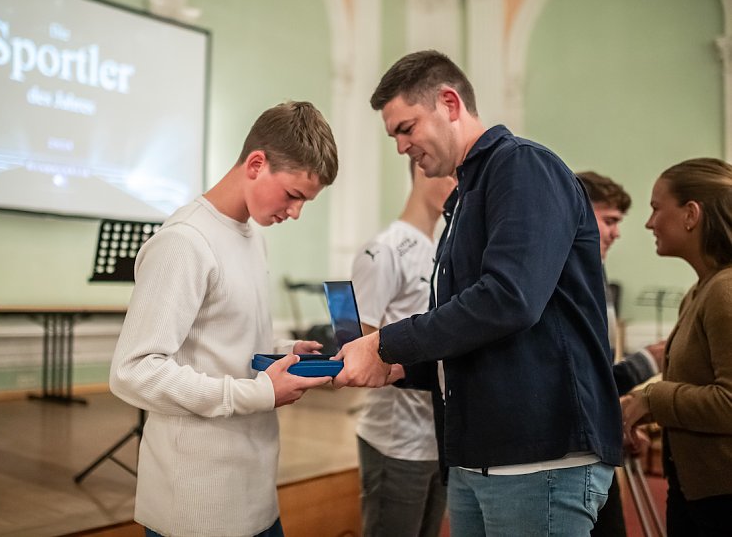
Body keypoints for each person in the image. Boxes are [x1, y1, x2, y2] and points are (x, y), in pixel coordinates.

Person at [334, 50, 623, 536]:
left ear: (449, 102)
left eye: (406, 128)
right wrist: (398, 366)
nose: (402, 147)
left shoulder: (524, 167)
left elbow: (509, 298)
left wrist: (386, 343)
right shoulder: (468, 196)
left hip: (538, 457)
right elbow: (466, 333)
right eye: (395, 136)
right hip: (477, 456)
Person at [109, 101, 339, 537]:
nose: (296, 213)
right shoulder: (185, 242)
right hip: (197, 507)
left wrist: (285, 356)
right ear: (256, 164)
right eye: (293, 195)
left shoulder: (251, 235)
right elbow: (132, 372)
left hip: (254, 491)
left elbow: (225, 348)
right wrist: (258, 394)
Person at [621, 158, 732, 537]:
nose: (650, 222)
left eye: (655, 208)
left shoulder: (724, 291)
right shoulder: (701, 290)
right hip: (699, 492)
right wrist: (639, 409)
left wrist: (653, 400)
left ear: (691, 214)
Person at [353, 162, 456, 537]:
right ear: (421, 167)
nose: (458, 184)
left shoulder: (447, 248)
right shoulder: (384, 250)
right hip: (396, 439)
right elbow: (357, 348)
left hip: (439, 436)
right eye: (450, 173)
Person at [577, 171, 665, 537]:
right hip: (576, 449)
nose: (616, 233)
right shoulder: (570, 279)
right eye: (609, 220)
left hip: (597, 436)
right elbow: (582, 377)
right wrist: (646, 362)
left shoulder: (597, 273)